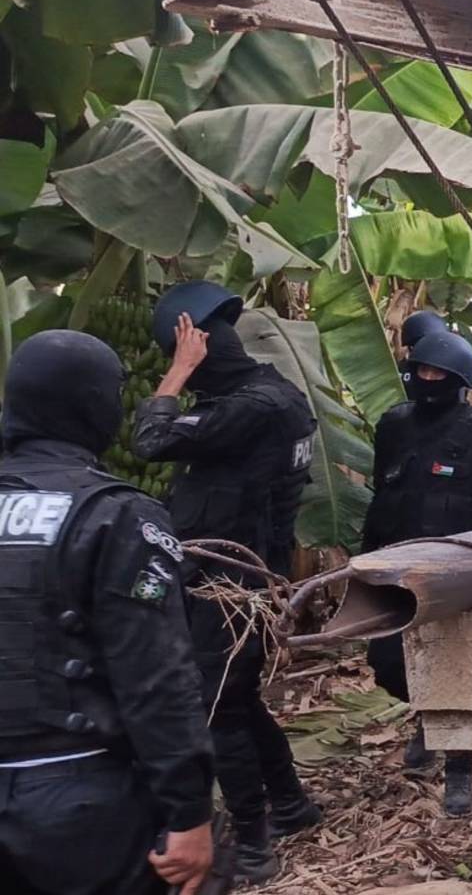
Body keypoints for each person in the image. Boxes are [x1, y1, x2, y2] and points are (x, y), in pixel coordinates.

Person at [0, 330, 215, 895]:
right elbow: (157, 678)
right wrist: (188, 811)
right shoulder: (116, 516)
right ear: (94, 405)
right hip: (79, 797)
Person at [132, 281, 322, 882]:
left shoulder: (250, 408)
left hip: (230, 582)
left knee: (217, 709)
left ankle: (255, 843)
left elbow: (150, 439)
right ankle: (291, 807)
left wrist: (177, 373)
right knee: (234, 698)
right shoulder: (270, 394)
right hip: (240, 574)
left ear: (202, 348)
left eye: (184, 351)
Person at [361, 328, 472, 817]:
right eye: (422, 370)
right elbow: (381, 487)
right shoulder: (393, 424)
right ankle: (429, 716)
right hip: (394, 565)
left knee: (455, 666)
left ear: (457, 380)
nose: (427, 379)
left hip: (456, 570)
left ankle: (459, 768)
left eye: (438, 374)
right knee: (387, 663)